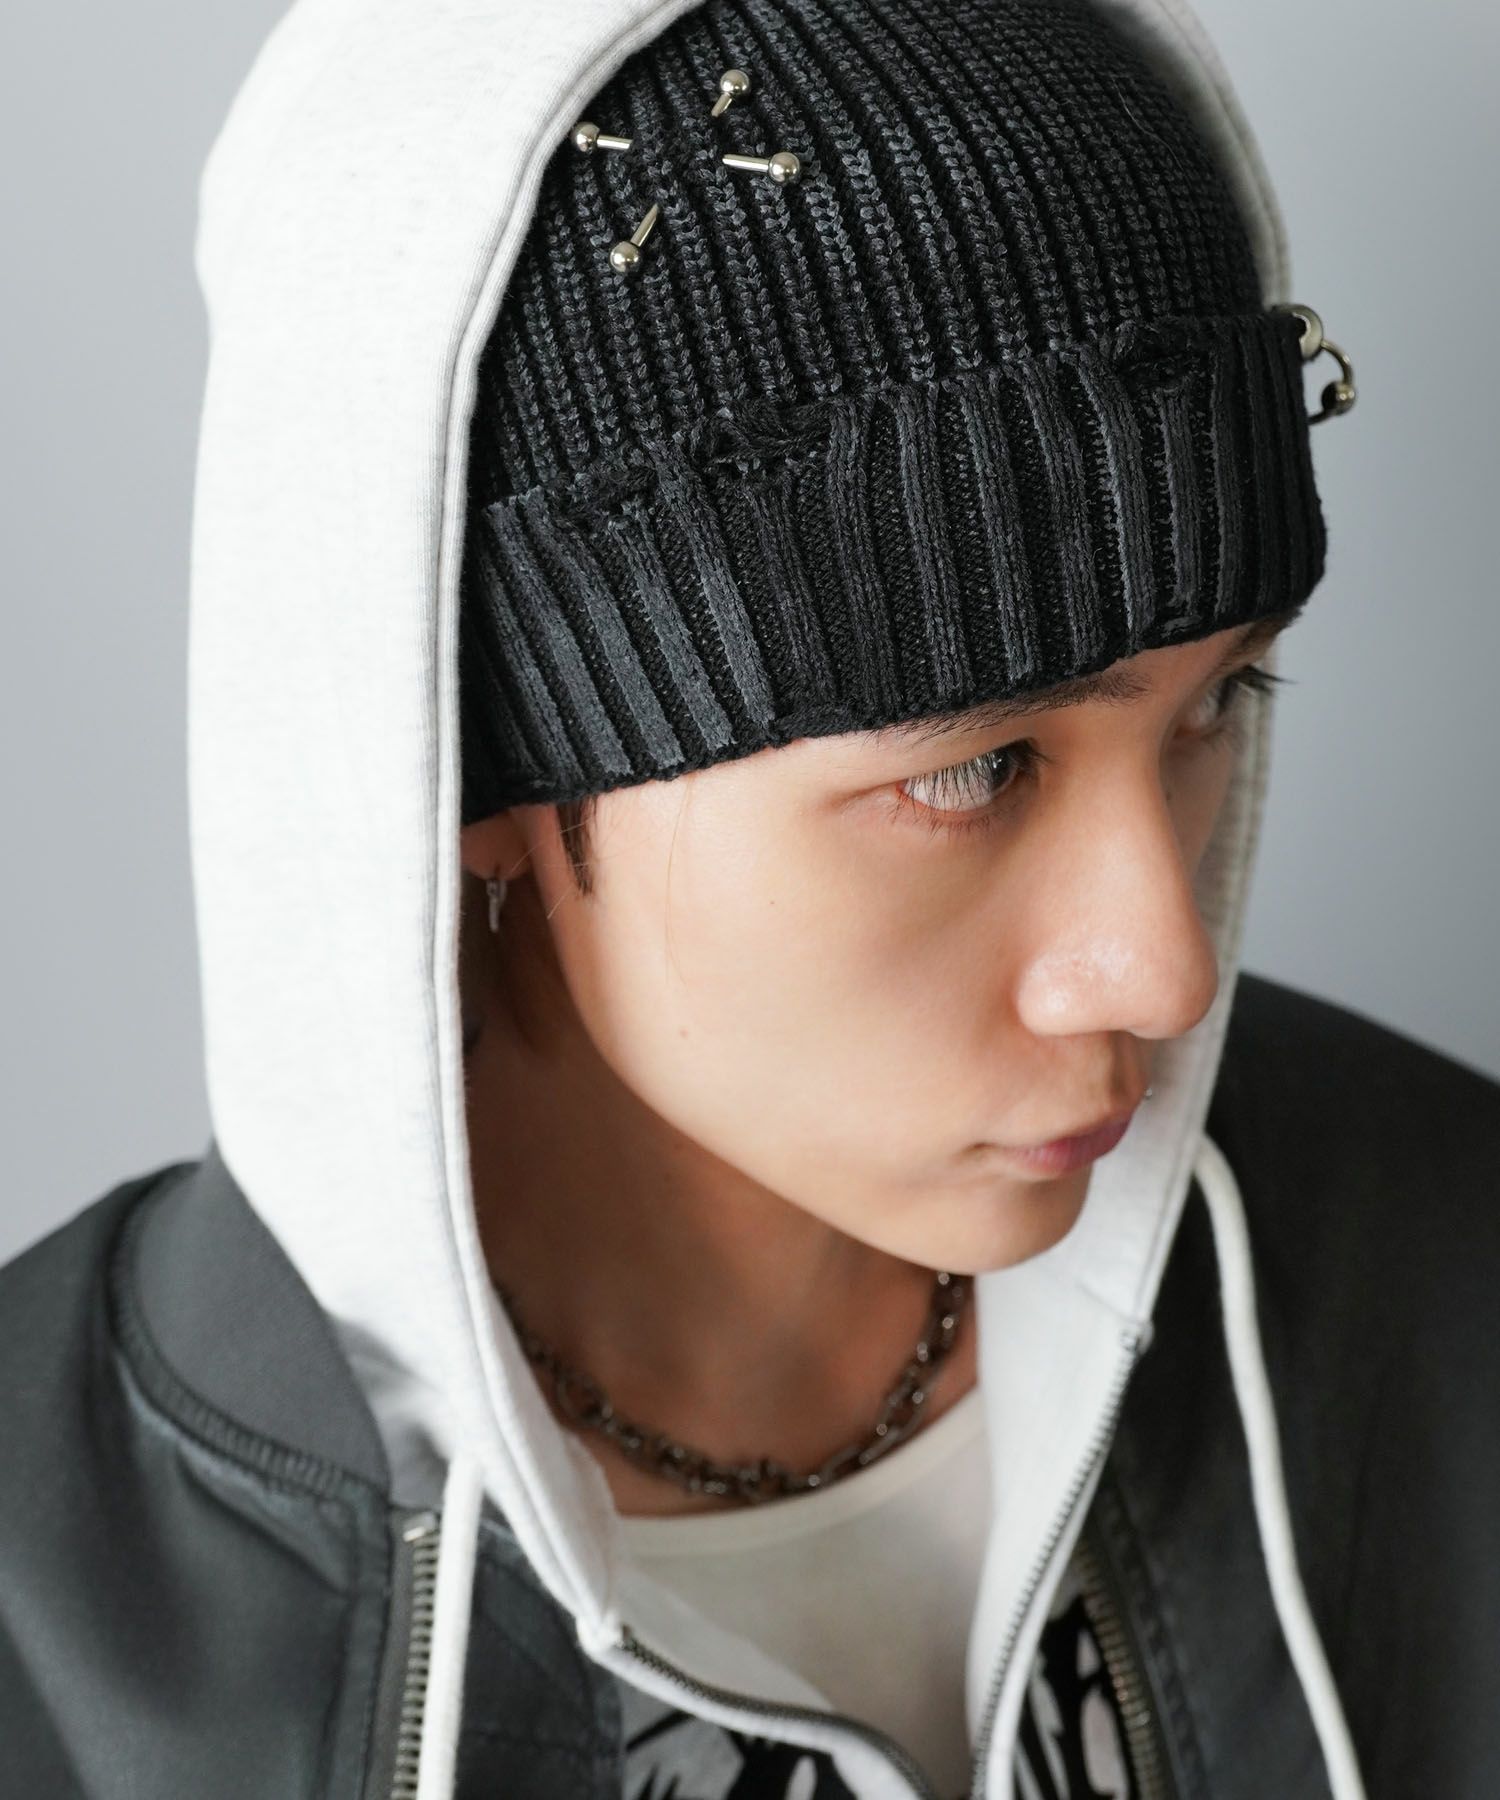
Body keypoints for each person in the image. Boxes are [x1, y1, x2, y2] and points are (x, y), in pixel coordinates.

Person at [2, 0, 1497, 1797]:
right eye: (972, 772)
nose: (1162, 970)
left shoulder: (1448, 1272)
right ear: (467, 760)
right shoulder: (47, 1635)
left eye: (1217, 701)